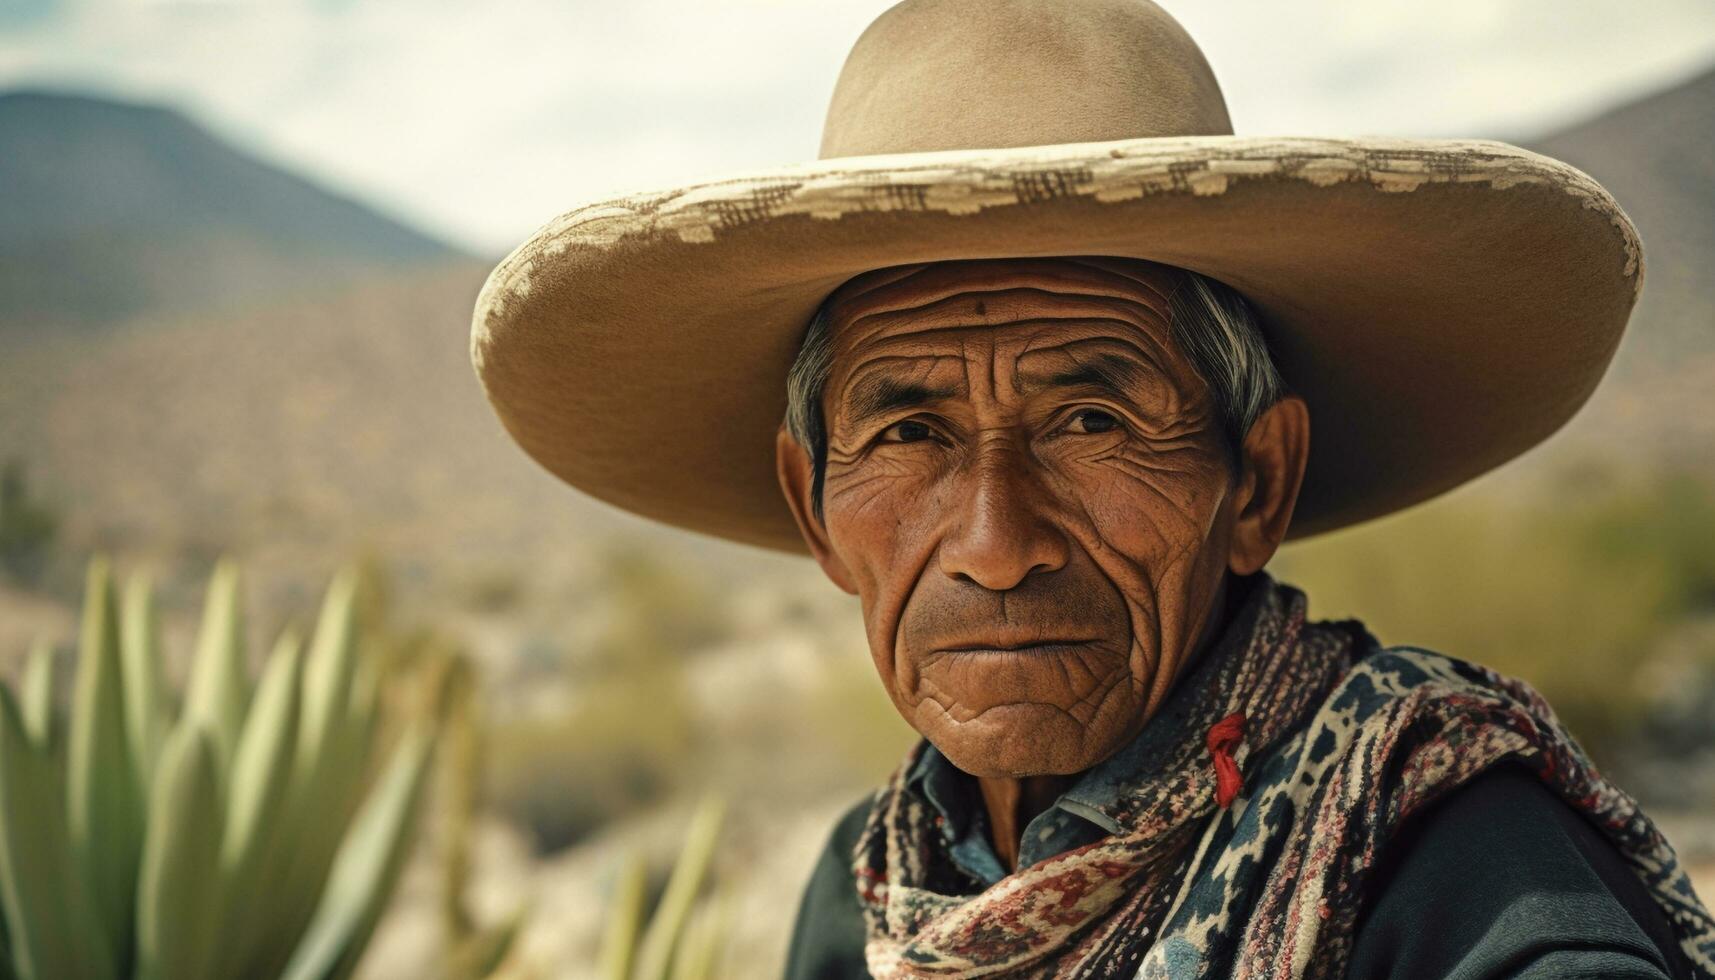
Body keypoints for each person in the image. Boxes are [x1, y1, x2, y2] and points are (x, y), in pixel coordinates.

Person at [468, 0, 1715, 976]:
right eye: (908, 431)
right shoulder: (870, 893)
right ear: (814, 510)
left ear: (1255, 483)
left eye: (1090, 419)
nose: (996, 542)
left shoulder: (1464, 882)